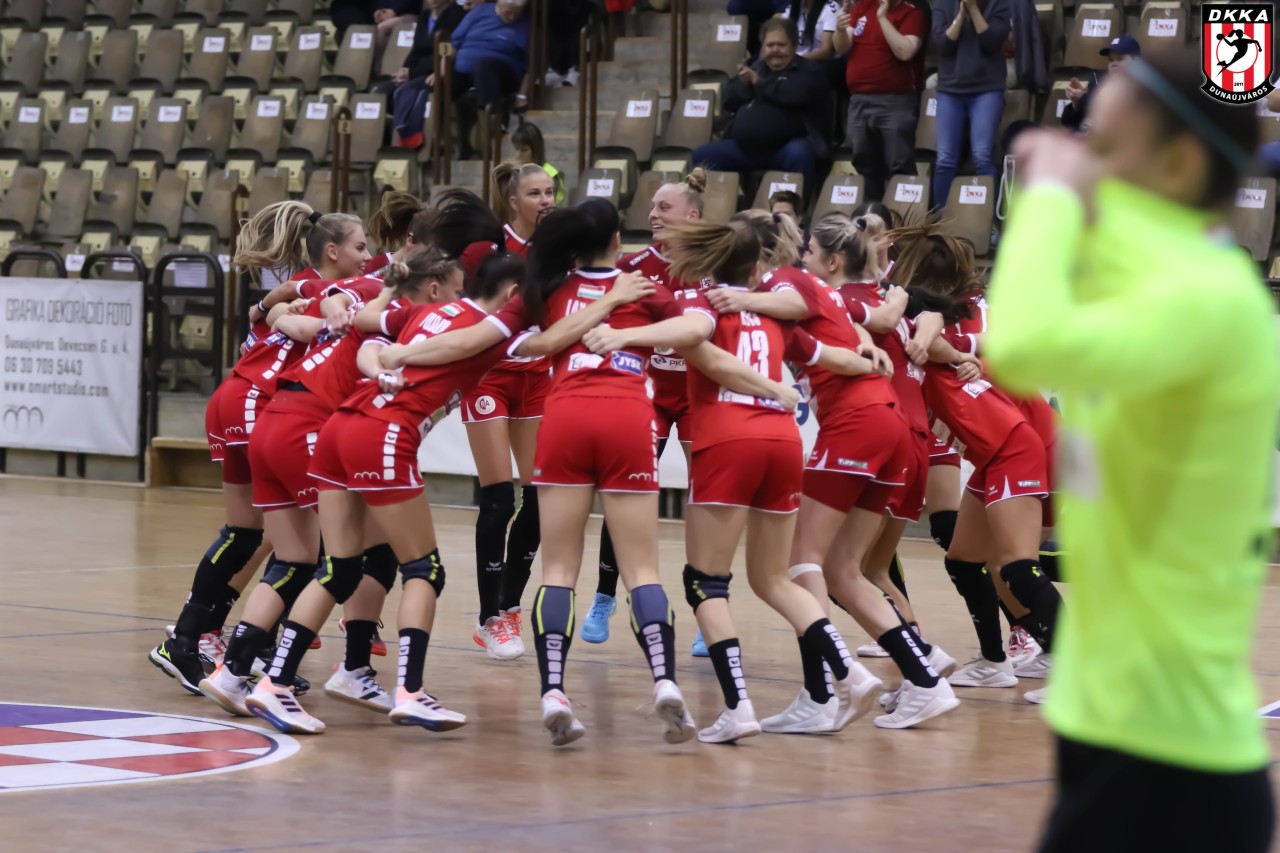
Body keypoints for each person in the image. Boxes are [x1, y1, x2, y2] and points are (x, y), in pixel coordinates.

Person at [983, 48, 1276, 852]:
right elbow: (1118, 247)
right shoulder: (1161, 274)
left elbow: (1019, 344)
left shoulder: (1209, 298)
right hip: (1106, 726)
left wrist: (1047, 196)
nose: (1084, 162)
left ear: (1178, 164)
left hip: (1174, 761)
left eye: (1106, 147)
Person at [584, 214, 887, 743]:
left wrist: (621, 334)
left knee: (705, 581)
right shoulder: (772, 314)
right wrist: (871, 361)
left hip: (729, 441)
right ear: (755, 270)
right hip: (783, 443)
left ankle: (738, 707)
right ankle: (852, 673)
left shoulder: (705, 305)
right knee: (774, 579)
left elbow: (690, 332)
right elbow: (829, 355)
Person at [199, 252, 458, 720]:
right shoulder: (404, 318)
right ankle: (341, 671)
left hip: (273, 421)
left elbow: (296, 309)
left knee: (295, 558)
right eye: (457, 290)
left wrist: (282, 312)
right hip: (309, 427)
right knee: (364, 557)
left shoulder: (370, 300)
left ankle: (231, 671)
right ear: (433, 287)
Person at [148, 204, 372, 695]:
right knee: (305, 539)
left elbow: (267, 315)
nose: (368, 255)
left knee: (255, 532)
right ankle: (219, 640)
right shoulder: (323, 291)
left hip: (240, 396)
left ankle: (204, 639)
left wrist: (272, 307)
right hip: (257, 401)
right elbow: (295, 317)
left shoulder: (305, 288)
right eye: (361, 247)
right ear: (333, 251)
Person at [691, 19, 829, 195]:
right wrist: (743, 83)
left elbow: (797, 94)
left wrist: (759, 83)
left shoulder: (809, 71)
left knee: (801, 153)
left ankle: (795, 209)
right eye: (770, 45)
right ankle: (715, 207)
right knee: (703, 155)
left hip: (786, 148)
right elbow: (729, 102)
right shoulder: (757, 67)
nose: (775, 50)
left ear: (793, 46)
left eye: (781, 45)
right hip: (746, 149)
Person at [835, 0, 929, 203]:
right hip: (859, 100)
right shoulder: (862, 6)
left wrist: (882, 18)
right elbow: (842, 47)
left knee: (900, 165)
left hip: (896, 101)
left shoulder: (912, 11)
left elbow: (905, 51)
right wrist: (840, 30)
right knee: (864, 165)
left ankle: (906, 217)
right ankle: (870, 215)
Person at [930, 0, 1012, 209]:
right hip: (950, 89)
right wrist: (960, 16)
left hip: (987, 88)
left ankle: (989, 220)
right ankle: (939, 220)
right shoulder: (942, 3)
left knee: (982, 157)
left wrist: (973, 9)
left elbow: (992, 41)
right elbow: (941, 44)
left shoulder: (998, 3)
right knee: (945, 159)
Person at [451, 0, 531, 112]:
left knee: (483, 65)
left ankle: (491, 115)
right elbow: (453, 42)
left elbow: (529, 65)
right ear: (498, 5)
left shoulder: (524, 25)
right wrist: (440, 69)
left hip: (502, 73)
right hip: (465, 72)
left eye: (516, 14)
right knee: (443, 83)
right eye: (508, 12)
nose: (512, 17)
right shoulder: (480, 11)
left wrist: (522, 96)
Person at [1061, 35, 1139, 133]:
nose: (1114, 64)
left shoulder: (1141, 90)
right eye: (1111, 60)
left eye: (1120, 59)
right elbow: (1068, 122)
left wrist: (1083, 98)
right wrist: (1075, 103)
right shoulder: (1097, 82)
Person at [492, 161, 556, 257]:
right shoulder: (495, 245)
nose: (545, 201)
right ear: (514, 203)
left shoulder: (564, 241)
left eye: (549, 192)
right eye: (534, 193)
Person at [511, 122, 565, 205]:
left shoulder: (550, 174)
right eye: (516, 149)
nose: (518, 155)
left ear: (536, 149)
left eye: (524, 150)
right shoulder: (516, 173)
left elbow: (554, 205)